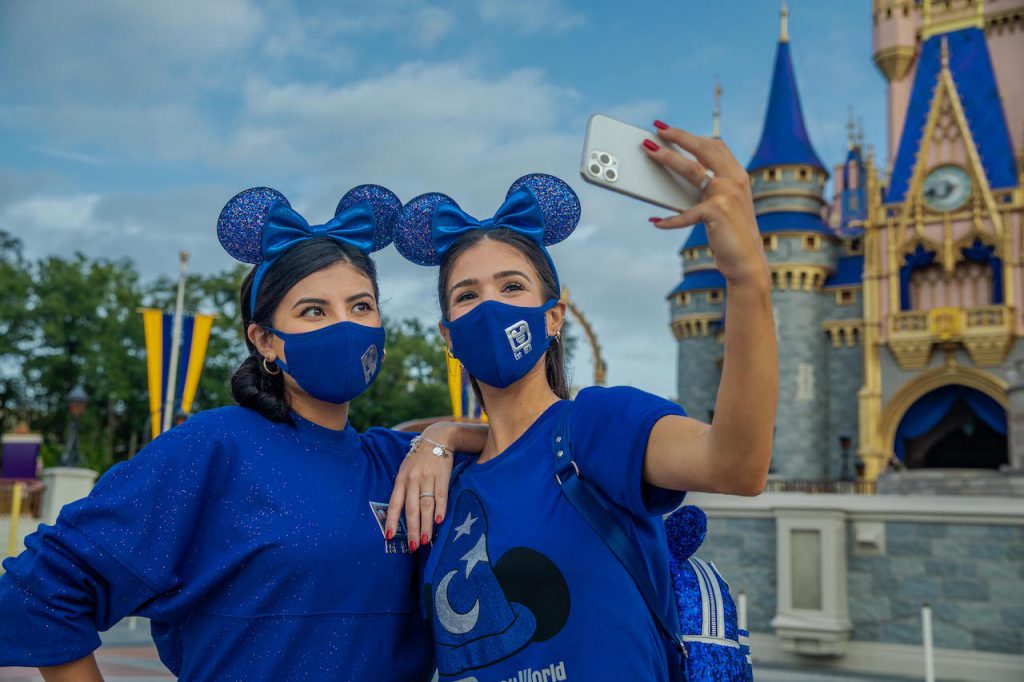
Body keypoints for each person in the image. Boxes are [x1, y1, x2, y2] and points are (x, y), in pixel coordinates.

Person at [0, 185, 482, 681]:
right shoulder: (216, 446)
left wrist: (446, 435)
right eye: (314, 311)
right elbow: (41, 592)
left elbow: (523, 443)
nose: (346, 326)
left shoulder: (399, 462)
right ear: (265, 341)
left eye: (361, 306)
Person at [387, 123, 777, 681]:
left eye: (512, 287)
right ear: (448, 337)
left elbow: (737, 465)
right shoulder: (438, 482)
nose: (490, 307)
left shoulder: (595, 427)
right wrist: (445, 436)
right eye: (467, 296)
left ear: (553, 319)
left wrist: (746, 279)